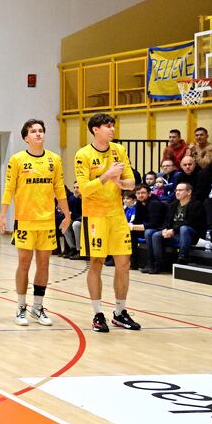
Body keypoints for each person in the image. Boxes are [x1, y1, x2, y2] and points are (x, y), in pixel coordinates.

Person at [0, 118, 70, 327]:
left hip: (47, 221)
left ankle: (38, 307)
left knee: (44, 263)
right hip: (25, 221)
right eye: (33, 131)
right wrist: (3, 215)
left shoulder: (54, 159)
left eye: (40, 130)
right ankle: (21, 306)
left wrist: (67, 215)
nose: (38, 134)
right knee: (24, 263)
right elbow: (9, 189)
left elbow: (59, 189)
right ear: (25, 138)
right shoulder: (17, 160)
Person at [74, 113, 140, 333]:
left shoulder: (119, 150)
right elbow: (84, 189)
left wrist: (119, 182)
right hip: (94, 216)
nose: (112, 129)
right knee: (96, 263)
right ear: (95, 129)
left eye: (113, 126)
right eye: (107, 126)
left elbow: (131, 182)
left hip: (117, 215)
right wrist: (106, 175)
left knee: (124, 263)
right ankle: (97, 313)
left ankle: (120, 313)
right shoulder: (83, 154)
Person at [153, 181, 204, 266]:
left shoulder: (196, 204)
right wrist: (165, 229)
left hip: (191, 235)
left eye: (180, 190)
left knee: (184, 228)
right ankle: (158, 263)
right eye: (176, 190)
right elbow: (167, 220)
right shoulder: (173, 204)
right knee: (156, 235)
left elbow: (190, 222)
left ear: (189, 192)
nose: (177, 192)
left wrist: (173, 230)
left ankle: (183, 257)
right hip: (175, 234)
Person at [128, 184, 169, 274]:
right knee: (131, 232)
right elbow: (137, 220)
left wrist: (133, 227)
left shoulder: (154, 203)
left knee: (148, 233)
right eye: (138, 193)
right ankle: (133, 262)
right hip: (151, 227)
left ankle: (154, 263)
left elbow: (154, 224)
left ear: (149, 194)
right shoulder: (139, 203)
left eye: (143, 193)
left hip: (161, 228)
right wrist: (130, 225)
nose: (140, 195)